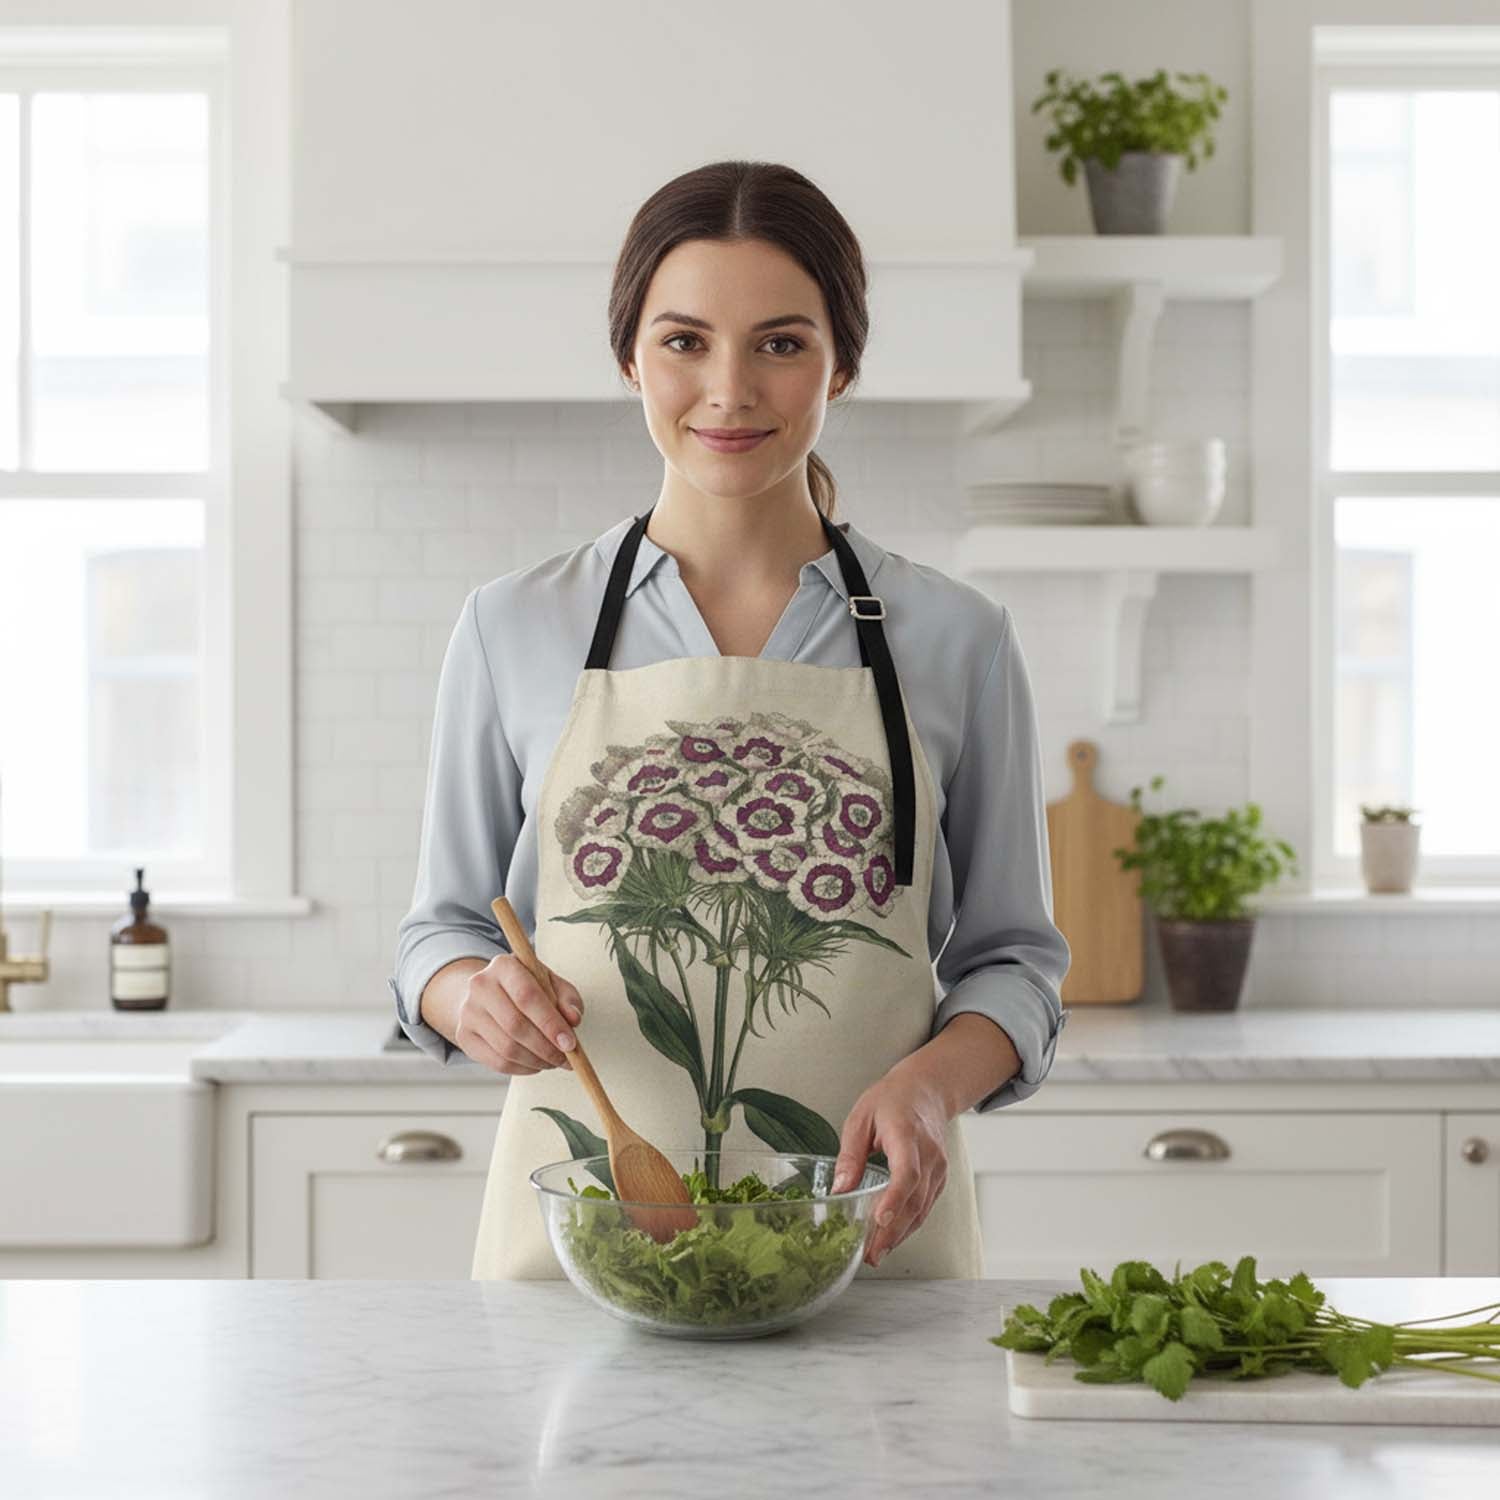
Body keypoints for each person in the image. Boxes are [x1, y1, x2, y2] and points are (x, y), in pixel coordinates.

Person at [389, 160, 1070, 1280]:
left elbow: (1016, 963)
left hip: (867, 1251)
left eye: (782, 343)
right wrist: (470, 998)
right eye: (684, 341)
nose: (730, 390)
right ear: (629, 358)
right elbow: (437, 935)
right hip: (587, 1263)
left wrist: (933, 1083)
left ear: (841, 365)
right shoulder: (511, 626)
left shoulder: (959, 639)